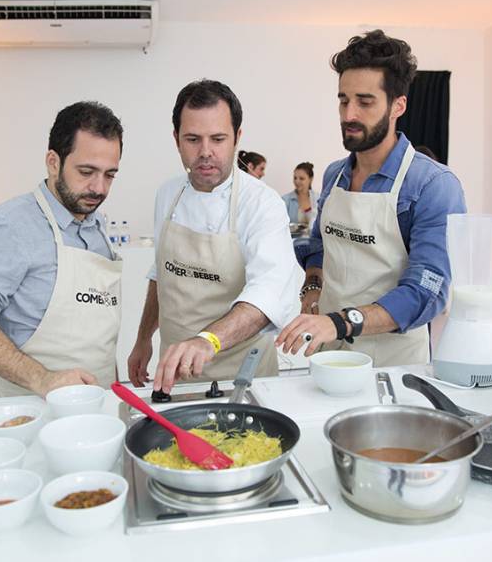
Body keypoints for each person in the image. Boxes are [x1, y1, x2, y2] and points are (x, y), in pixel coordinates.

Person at [277, 30, 466, 367]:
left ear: (398, 106)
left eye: (365, 102)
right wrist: (312, 288)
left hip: (393, 362)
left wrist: (338, 323)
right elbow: (319, 246)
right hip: (329, 354)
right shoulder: (335, 174)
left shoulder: (433, 185)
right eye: (343, 100)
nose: (349, 114)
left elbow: (427, 292)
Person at [127, 80, 302, 393]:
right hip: (175, 375)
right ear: (176, 139)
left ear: (237, 138)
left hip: (244, 378)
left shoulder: (262, 203)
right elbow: (161, 274)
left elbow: (269, 293)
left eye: (218, 139)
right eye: (193, 139)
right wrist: (143, 339)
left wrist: (207, 340)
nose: (205, 152)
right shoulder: (168, 195)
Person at [0, 101, 124, 397]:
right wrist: (42, 379)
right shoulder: (11, 225)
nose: (99, 188)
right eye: (86, 171)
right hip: (31, 411)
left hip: (100, 405)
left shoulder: (97, 227)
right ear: (53, 162)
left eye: (109, 175)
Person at [281, 162, 317, 231]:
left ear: (310, 179)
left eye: (301, 178)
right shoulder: (285, 200)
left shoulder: (318, 199)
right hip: (292, 240)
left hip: (314, 240)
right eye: (295, 178)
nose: (297, 181)